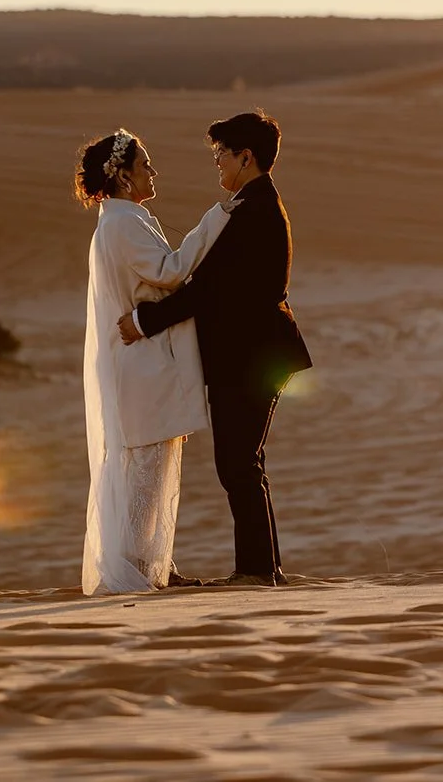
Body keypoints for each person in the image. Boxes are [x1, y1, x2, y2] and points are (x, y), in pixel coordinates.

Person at [119, 110, 312, 588]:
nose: (218, 165)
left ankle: (257, 571)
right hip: (250, 357)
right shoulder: (252, 205)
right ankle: (262, 568)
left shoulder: (252, 212)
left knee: (239, 464)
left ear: (246, 157)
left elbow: (207, 290)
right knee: (244, 463)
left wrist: (144, 321)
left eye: (221, 155)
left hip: (253, 358)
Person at [75, 129, 235, 595]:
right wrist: (212, 222)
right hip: (144, 366)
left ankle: (153, 564)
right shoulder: (123, 224)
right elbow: (168, 273)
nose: (152, 171)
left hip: (147, 365)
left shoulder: (124, 219)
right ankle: (135, 570)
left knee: (153, 468)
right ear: (123, 177)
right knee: (145, 472)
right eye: (145, 164)